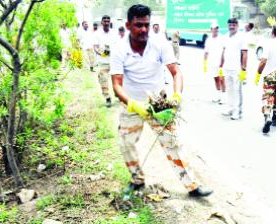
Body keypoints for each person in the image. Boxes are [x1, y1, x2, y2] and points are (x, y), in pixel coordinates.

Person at [110, 4, 213, 198]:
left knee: (173, 143)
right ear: (128, 25)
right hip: (131, 104)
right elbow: (116, 85)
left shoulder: (160, 43)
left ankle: (192, 186)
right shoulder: (119, 49)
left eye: (146, 25)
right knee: (125, 142)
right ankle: (137, 180)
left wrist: (176, 96)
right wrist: (134, 105)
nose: (143, 30)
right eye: (138, 25)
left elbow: (176, 72)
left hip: (158, 104)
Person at [255, 24, 276, 134]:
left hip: (270, 75)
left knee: (267, 97)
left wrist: (258, 73)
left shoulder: (268, 44)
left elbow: (263, 61)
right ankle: (275, 119)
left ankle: (267, 117)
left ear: (272, 32)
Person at [220, 18, 248, 120]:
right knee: (229, 89)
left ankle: (237, 111)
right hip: (227, 67)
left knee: (237, 90)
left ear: (237, 25)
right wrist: (221, 65)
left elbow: (245, 54)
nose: (231, 26)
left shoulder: (241, 37)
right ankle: (230, 108)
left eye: (233, 24)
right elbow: (224, 51)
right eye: (230, 24)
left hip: (237, 69)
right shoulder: (225, 37)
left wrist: (244, 70)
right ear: (228, 25)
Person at [94, 15, 117, 107]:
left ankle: (119, 95)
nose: (106, 22)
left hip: (114, 61)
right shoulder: (97, 34)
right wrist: (100, 53)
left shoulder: (114, 33)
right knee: (103, 80)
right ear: (102, 22)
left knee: (117, 81)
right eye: (105, 21)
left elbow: (118, 45)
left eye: (108, 21)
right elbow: (95, 47)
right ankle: (107, 98)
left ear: (110, 22)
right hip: (103, 61)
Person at [204, 22, 226, 104]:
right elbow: (206, 52)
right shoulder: (208, 39)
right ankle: (218, 96)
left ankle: (224, 97)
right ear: (211, 30)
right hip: (212, 63)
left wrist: (223, 61)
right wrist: (205, 63)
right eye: (213, 29)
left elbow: (224, 50)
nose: (215, 30)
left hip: (221, 63)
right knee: (216, 79)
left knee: (222, 79)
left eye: (216, 29)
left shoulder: (222, 38)